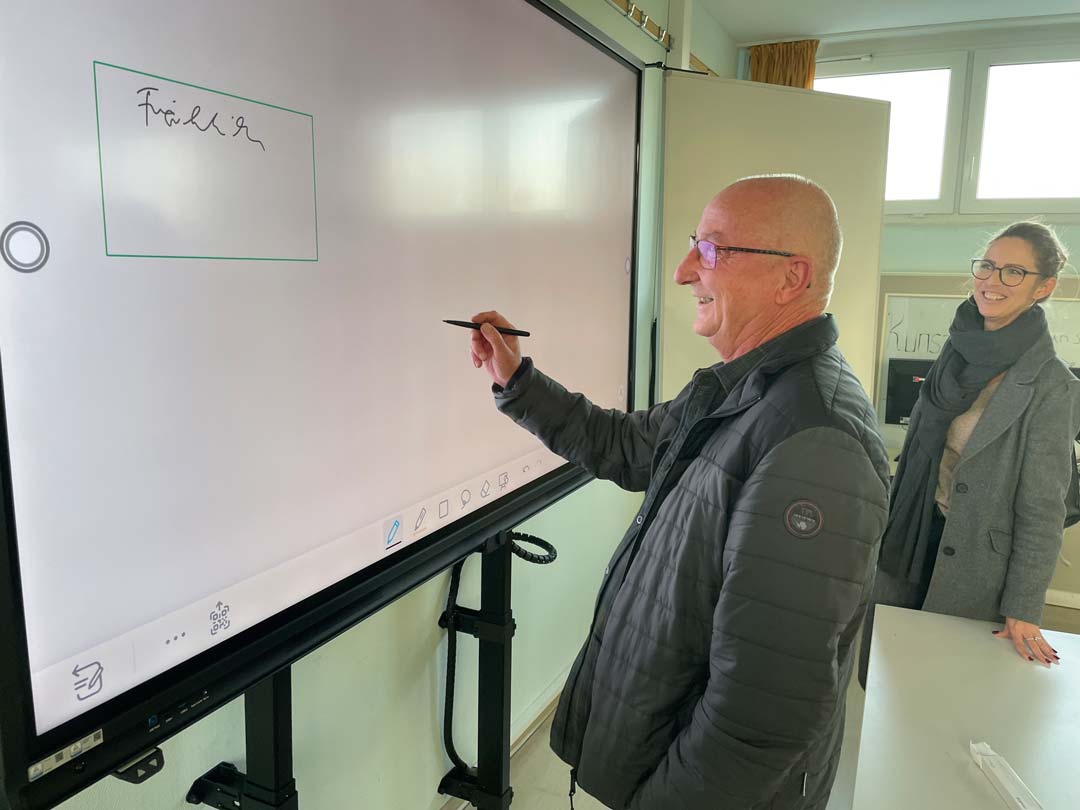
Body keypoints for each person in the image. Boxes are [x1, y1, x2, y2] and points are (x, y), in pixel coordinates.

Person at [466, 175, 889, 810]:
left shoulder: (815, 443)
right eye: (696, 245)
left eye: (713, 250)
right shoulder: (742, 388)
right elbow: (627, 445)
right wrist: (519, 380)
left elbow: (759, 718)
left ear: (791, 279)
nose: (685, 270)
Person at [860, 221, 1080, 687]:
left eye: (1013, 272)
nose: (992, 281)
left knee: (946, 687)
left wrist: (1023, 608)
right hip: (911, 537)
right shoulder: (955, 353)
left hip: (977, 564)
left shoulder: (1051, 384)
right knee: (887, 680)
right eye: (988, 266)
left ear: (1044, 287)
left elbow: (1042, 507)